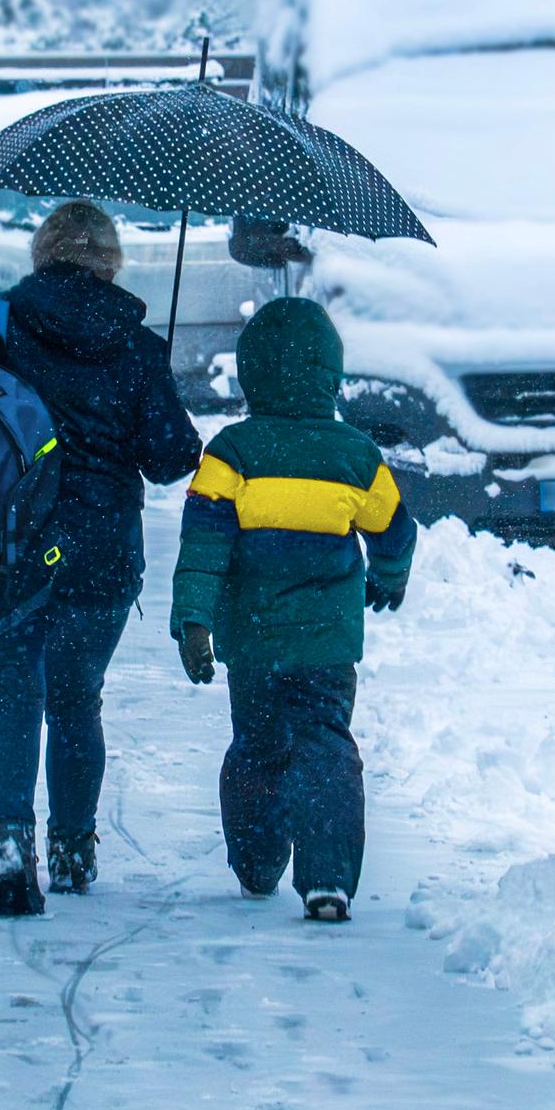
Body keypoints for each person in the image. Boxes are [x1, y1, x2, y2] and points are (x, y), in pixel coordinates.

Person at [0, 200, 202, 917]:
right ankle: (71, 848)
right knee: (74, 703)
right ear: (111, 261)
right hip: (98, 557)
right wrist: (152, 382)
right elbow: (170, 460)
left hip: (1, 547)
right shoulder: (134, 345)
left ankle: (9, 846)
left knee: (12, 700)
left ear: (42, 253)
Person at [170, 297, 416, 923]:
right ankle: (328, 876)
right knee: (326, 745)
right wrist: (389, 575)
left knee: (256, 744)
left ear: (251, 374)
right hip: (326, 645)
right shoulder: (356, 456)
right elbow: (394, 530)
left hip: (252, 642)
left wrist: (194, 623)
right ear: (331, 377)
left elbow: (202, 545)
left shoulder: (231, 454)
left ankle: (256, 864)